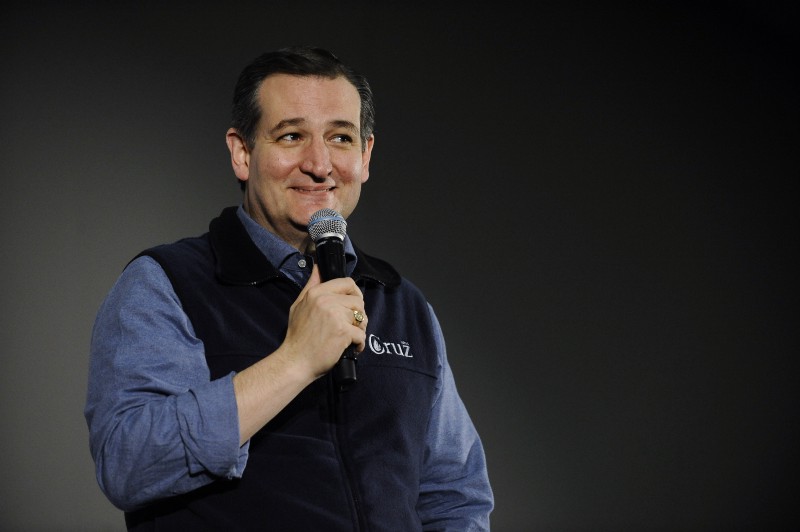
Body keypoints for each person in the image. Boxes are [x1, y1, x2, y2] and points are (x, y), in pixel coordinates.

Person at [84, 46, 494, 530]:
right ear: (242, 153)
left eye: (340, 138)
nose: (319, 164)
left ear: (364, 156)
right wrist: (294, 361)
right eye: (292, 136)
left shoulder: (403, 304)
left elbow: (455, 496)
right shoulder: (167, 283)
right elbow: (129, 463)